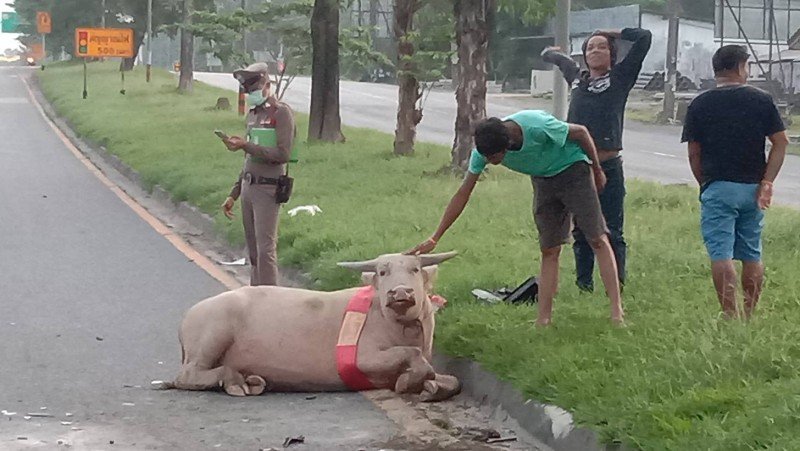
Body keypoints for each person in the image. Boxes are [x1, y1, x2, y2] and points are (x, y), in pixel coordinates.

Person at [406, 110, 623, 326]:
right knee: (549, 249)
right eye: (487, 158)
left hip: (573, 170)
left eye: (494, 157)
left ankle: (616, 313)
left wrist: (596, 170)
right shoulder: (483, 152)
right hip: (543, 180)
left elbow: (581, 133)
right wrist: (436, 237)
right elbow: (463, 193)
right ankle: (543, 319)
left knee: (597, 238)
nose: (490, 161)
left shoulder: (537, 126)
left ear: (508, 143)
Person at [541, 27, 652, 293]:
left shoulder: (621, 78)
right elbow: (554, 58)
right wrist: (552, 53)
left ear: (612, 54)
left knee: (612, 228)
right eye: (590, 47)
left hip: (609, 166)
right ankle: (584, 286)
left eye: (602, 46)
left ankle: (617, 285)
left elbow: (644, 37)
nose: (595, 51)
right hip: (578, 166)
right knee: (582, 230)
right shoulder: (578, 80)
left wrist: (607, 31)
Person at [681, 45, 787, 319]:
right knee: (752, 253)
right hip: (753, 188)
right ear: (741, 67)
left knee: (721, 254)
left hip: (718, 187)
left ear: (717, 70)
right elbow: (780, 142)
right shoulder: (762, 100)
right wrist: (767, 182)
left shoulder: (699, 104)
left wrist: (704, 184)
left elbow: (694, 152)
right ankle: (749, 314)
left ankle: (730, 315)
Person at [220, 62, 296, 286]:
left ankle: (270, 301)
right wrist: (234, 193)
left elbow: (283, 153)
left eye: (254, 90)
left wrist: (246, 146)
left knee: (266, 251)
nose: (251, 95)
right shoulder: (253, 115)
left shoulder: (281, 113)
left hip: (267, 187)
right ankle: (255, 296)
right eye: (247, 91)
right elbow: (248, 160)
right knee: (253, 251)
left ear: (267, 85)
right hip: (248, 187)